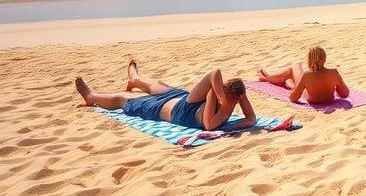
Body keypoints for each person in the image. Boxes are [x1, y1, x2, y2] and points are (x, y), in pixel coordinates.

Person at [75, 60, 256, 131]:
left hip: (175, 111)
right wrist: (219, 94)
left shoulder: (222, 110)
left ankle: (92, 97)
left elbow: (209, 126)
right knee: (161, 86)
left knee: (124, 100)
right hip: (188, 101)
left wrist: (214, 97)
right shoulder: (225, 95)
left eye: (222, 89)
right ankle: (136, 79)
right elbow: (215, 71)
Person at [258, 46, 349, 104]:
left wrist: (294, 91)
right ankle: (283, 81)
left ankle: (267, 78)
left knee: (294, 67)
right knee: (292, 76)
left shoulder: (307, 75)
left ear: (309, 60)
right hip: (328, 100)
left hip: (310, 97)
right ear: (324, 59)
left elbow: (293, 98)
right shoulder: (334, 73)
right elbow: (345, 94)